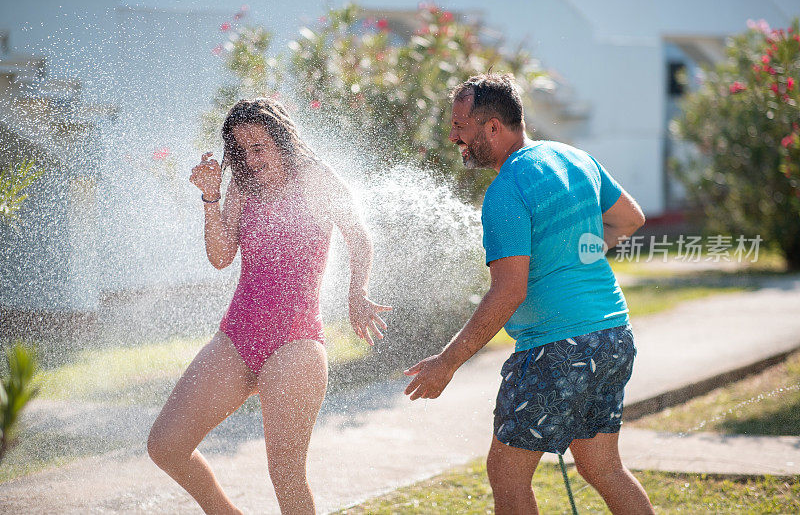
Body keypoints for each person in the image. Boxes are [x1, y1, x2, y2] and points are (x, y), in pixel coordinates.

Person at [404, 73, 654, 515]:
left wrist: (447, 362)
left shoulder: (506, 190)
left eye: (460, 125)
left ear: (493, 127)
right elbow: (630, 219)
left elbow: (508, 292)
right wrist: (581, 252)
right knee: (603, 468)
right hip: (612, 335)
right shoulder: (575, 158)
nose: (453, 135)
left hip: (558, 347)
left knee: (507, 473)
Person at [148, 98, 391, 514]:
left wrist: (357, 292)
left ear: (281, 140)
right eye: (239, 151)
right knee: (166, 445)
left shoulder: (314, 177)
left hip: (296, 343)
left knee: (285, 473)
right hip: (238, 335)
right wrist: (211, 197)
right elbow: (222, 256)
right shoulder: (242, 185)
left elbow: (358, 234)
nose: (250, 159)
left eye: (258, 147)